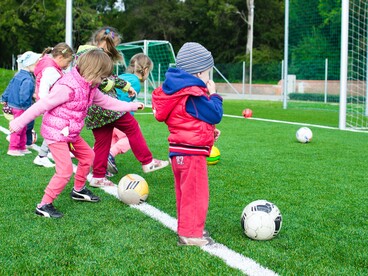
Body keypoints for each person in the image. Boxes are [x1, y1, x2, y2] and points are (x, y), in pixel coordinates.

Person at [9, 49, 144, 218]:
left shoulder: (90, 86)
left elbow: (107, 102)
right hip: (56, 133)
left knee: (88, 157)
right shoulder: (67, 87)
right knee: (65, 171)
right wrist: (18, 123)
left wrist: (131, 106)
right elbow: (41, 105)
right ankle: (43, 205)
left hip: (70, 133)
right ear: (93, 72)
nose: (104, 81)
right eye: (102, 77)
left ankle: (78, 190)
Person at [77, 26, 169, 187]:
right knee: (132, 127)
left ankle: (98, 177)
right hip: (106, 105)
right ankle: (147, 162)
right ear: (104, 43)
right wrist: (120, 89)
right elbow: (101, 80)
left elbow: (109, 77)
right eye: (113, 45)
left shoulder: (85, 54)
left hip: (93, 110)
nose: (113, 49)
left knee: (102, 142)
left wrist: (126, 87)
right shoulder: (94, 57)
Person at [152, 42, 223, 246]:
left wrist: (209, 132)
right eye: (208, 73)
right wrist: (214, 95)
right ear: (199, 72)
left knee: (185, 194)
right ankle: (191, 234)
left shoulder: (177, 91)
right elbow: (215, 113)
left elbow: (188, 119)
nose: (209, 78)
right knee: (195, 193)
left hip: (179, 151)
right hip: (191, 154)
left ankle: (188, 227)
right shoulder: (192, 93)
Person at [107, 53, 154, 175]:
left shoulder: (123, 76)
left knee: (111, 140)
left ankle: (98, 160)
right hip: (118, 115)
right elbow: (122, 99)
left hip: (107, 114)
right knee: (131, 137)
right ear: (146, 70)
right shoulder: (135, 83)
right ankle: (109, 155)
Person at [32, 42, 74, 168]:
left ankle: (51, 152)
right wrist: (47, 104)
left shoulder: (52, 67)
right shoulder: (51, 70)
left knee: (60, 128)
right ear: (60, 58)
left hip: (51, 104)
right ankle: (41, 156)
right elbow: (44, 89)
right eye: (68, 62)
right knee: (55, 129)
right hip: (50, 105)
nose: (67, 66)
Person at [1, 51, 41, 156]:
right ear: (30, 64)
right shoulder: (28, 79)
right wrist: (28, 108)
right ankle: (13, 148)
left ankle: (21, 147)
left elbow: (9, 87)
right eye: (36, 64)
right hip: (21, 107)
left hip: (15, 105)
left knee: (23, 127)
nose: (38, 67)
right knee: (19, 128)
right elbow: (24, 95)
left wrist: (4, 98)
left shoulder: (18, 74)